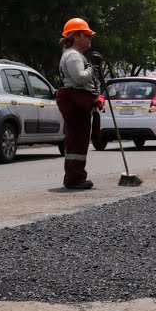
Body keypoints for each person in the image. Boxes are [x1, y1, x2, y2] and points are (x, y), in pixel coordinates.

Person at [55, 17, 100, 190]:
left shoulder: (73, 54)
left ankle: (76, 175)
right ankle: (75, 178)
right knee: (77, 139)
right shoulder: (73, 55)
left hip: (76, 100)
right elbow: (80, 79)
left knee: (78, 139)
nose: (89, 38)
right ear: (75, 36)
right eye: (86, 35)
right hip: (75, 100)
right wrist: (92, 68)